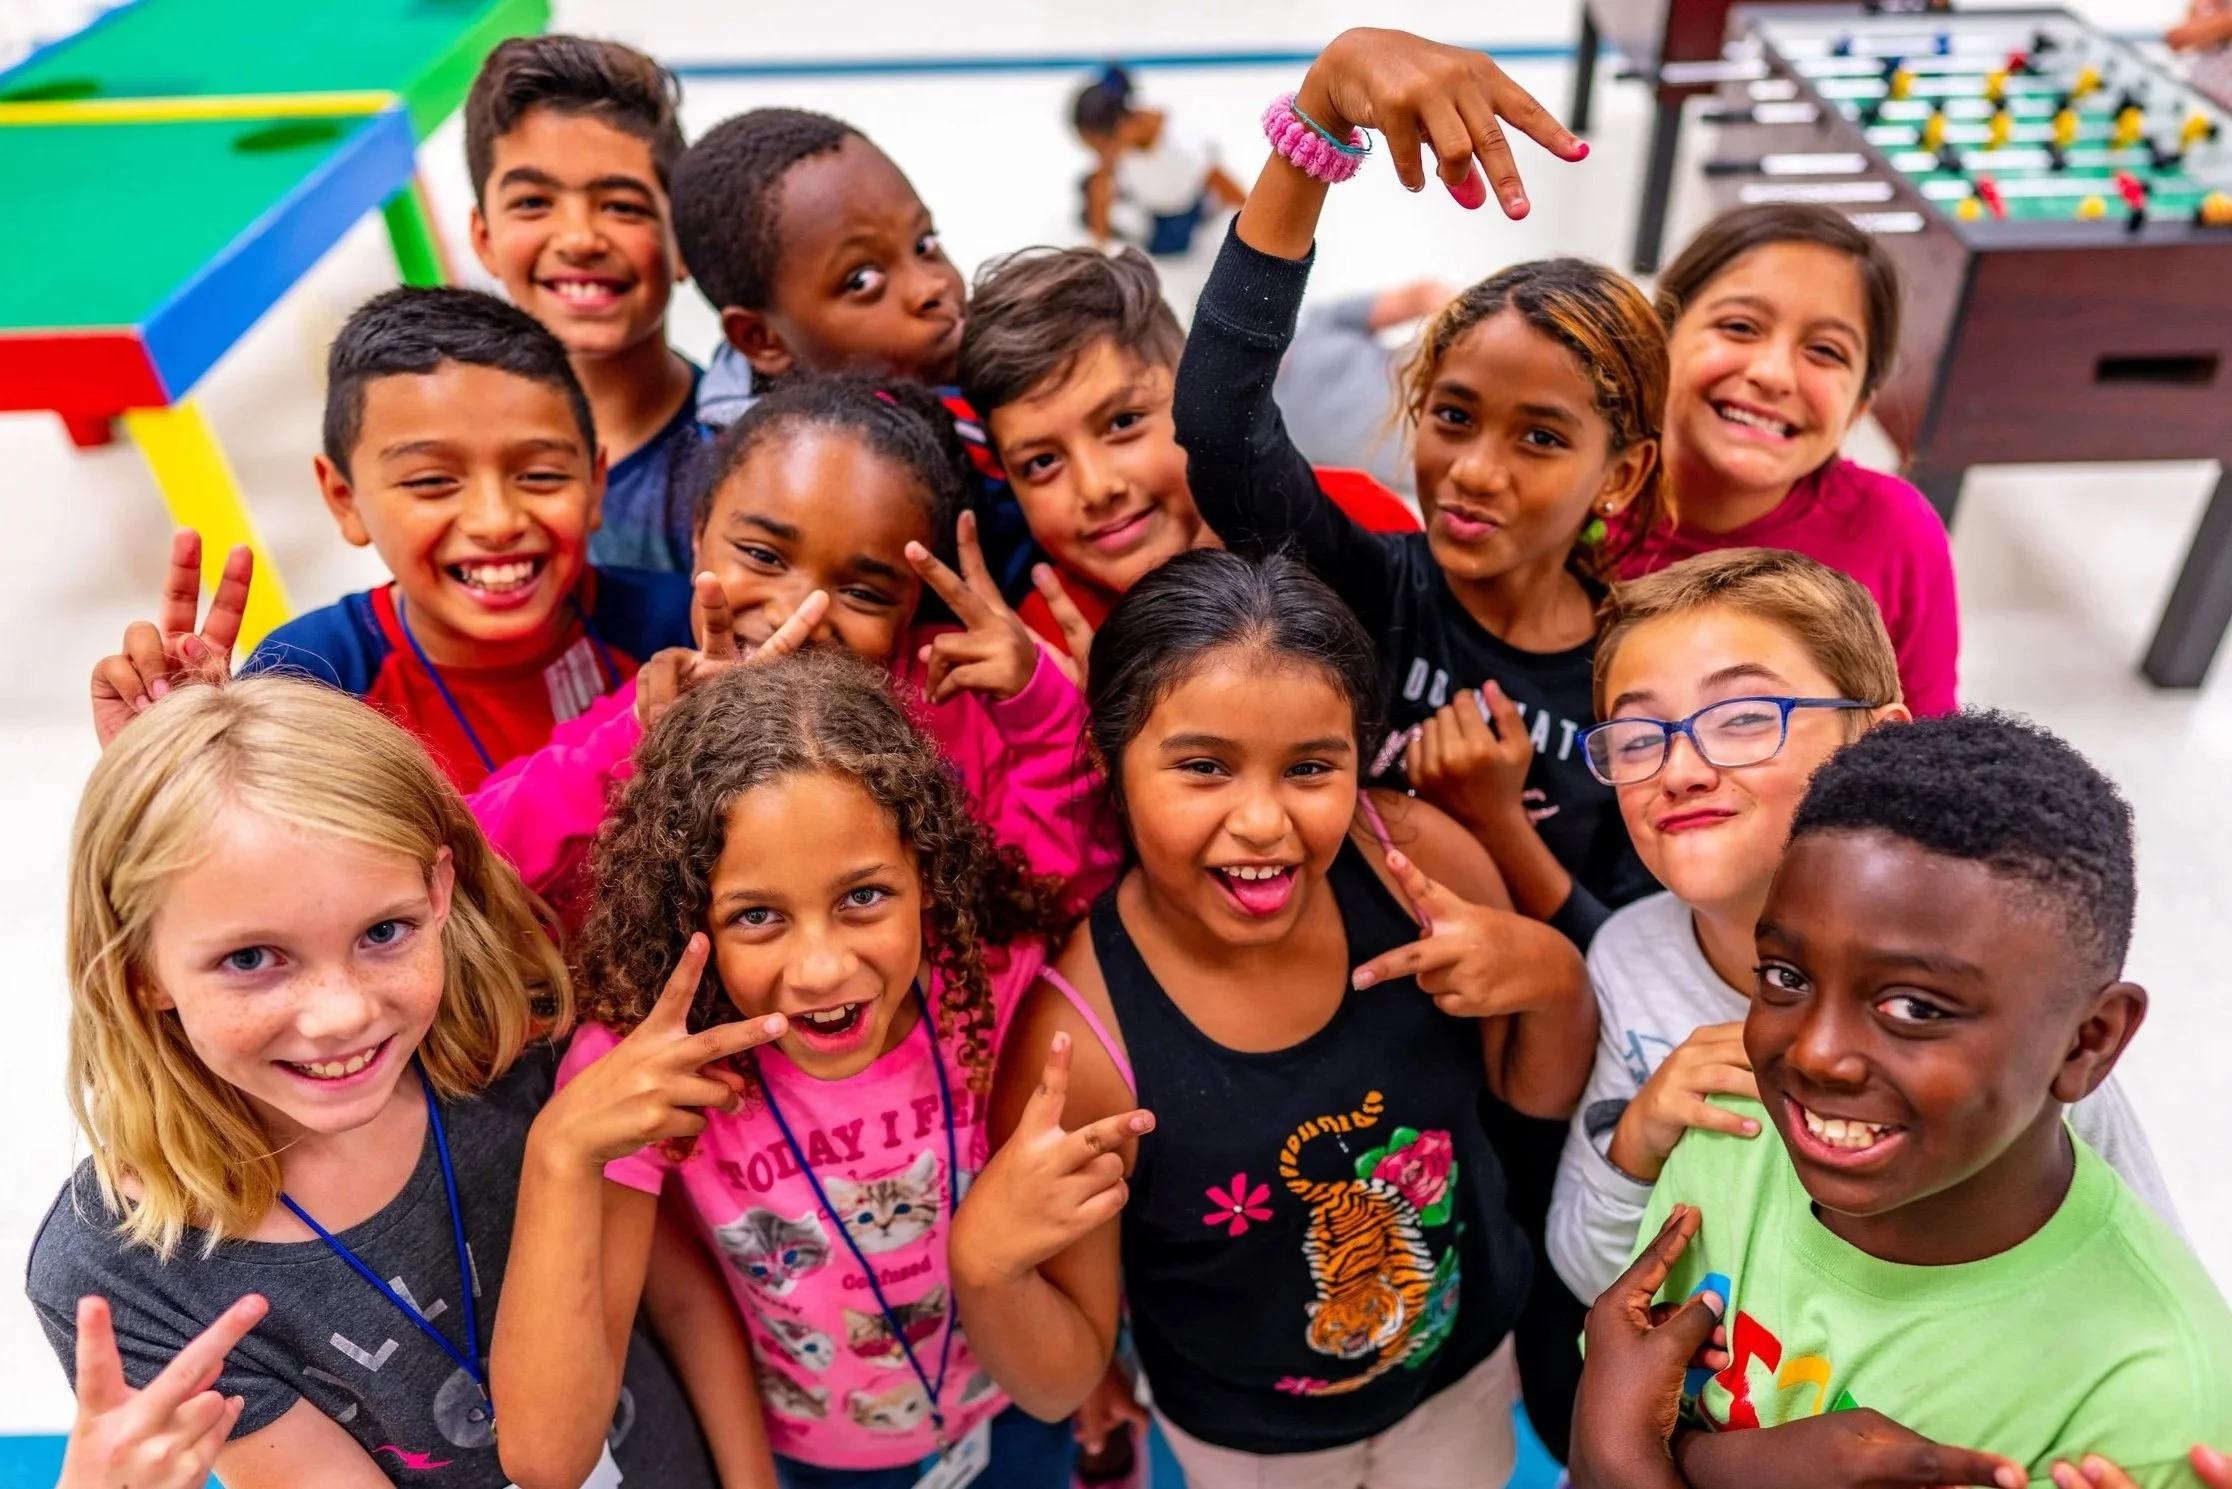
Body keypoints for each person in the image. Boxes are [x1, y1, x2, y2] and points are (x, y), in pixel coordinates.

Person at [1166, 28, 1633, 1456]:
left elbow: (1647, 955)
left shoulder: (1644, 678)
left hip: (1545, 1136)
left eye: (1541, 438)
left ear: (1629, 470)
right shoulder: (1375, 588)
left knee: (1535, 1386)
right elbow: (1219, 420)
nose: (1476, 470)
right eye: (1451, 417)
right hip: (1368, 1091)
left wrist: (1501, 828)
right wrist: (1319, 116)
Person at [951, 548, 1597, 1489]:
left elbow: (1532, 1095)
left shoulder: (1418, 867)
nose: (1261, 821)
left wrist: (1551, 972)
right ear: (1108, 760)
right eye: (1205, 766)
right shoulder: (1084, 1046)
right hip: (1252, 1448)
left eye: (1308, 767)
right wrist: (986, 1266)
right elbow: (1063, 1383)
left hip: (1461, 1376)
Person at [29, 667, 740, 1487]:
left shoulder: (527, 1050)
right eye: (251, 958)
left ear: (438, 892)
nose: (340, 1014)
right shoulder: (121, 1268)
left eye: (383, 932)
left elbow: (680, 1299)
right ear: (139, 970)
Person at [490, 649, 1091, 1488]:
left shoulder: (996, 986)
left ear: (928, 871)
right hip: (813, 1469)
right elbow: (546, 1457)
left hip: (1014, 1421)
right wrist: (559, 1150)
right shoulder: (645, 1074)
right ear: (686, 913)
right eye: (758, 915)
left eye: (864, 896)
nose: (819, 967)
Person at [1547, 548, 2176, 1301]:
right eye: (1639, 736)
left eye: (1746, 717)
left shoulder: (1987, 986)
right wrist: (1639, 1139)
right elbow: (1588, 1270)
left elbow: (2149, 1282)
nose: (1679, 769)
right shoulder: (1628, 957)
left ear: (1876, 739)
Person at [1636, 712, 2232, 1488]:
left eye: (1914, 1007)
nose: (1815, 1053)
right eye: (1785, 976)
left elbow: (1623, 1427)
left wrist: (1659, 1457)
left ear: (2088, 1040)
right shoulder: (1733, 1136)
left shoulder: (2150, 1401)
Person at [464, 374, 1110, 924]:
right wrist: (636, 741)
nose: (801, 614)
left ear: (913, 606)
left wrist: (1041, 710)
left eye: (862, 591)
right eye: (764, 555)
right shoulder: (657, 706)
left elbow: (1069, 893)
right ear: (697, 535)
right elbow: (471, 863)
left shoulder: (950, 697)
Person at [239, 286, 690, 791]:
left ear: (595, 483)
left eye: (541, 475)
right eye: (432, 481)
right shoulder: (311, 680)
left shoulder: (677, 629)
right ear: (345, 499)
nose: (496, 522)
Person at [670, 107, 1041, 596]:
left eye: (925, 244)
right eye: (862, 281)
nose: (931, 287)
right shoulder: (767, 491)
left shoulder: (994, 372)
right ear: (762, 339)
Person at [1616, 204, 1959, 717]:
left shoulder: (1898, 532)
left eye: (1825, 351)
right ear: (1659, 341)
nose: (1774, 374)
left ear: (1858, 408)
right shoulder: (1577, 486)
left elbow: (1928, 754)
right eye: (1739, 326)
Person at [464, 35, 707, 574]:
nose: (578, 239)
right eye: (533, 203)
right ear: (485, 241)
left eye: (621, 206)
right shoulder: (452, 452)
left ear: (684, 241)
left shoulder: (738, 459)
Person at [1273, 278, 1455, 497]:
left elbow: (1421, 297)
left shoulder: (1320, 322)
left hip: (1441, 381)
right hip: (1429, 462)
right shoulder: (1254, 425)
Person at [1071, 66, 1246, 256]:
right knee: (1088, 187)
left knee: (1166, 244)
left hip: (1177, 206)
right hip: (1142, 188)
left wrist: (1253, 229)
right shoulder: (1126, 125)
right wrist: (1099, 243)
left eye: (1100, 148)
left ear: (1121, 129)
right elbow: (1102, 179)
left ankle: (1204, 209)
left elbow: (1226, 185)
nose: (1101, 156)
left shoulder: (1182, 148)